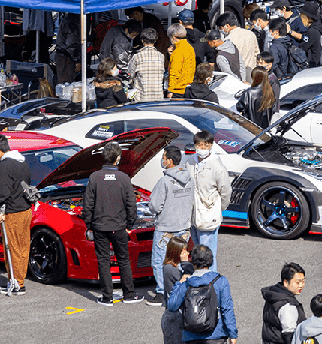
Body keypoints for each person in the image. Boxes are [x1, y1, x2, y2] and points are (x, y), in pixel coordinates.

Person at [84, 140, 143, 304]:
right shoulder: (124, 178)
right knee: (124, 260)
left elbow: (87, 204)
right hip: (119, 227)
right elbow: (132, 204)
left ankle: (107, 297)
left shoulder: (94, 177)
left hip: (99, 227)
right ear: (118, 158)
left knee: (103, 261)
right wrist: (130, 225)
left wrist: (88, 226)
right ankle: (129, 295)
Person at [165, 245, 237, 344]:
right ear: (210, 260)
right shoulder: (220, 281)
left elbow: (172, 306)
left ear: (193, 261)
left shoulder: (187, 283)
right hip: (216, 335)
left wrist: (179, 283)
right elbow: (227, 309)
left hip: (191, 337)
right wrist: (232, 334)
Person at [149, 146, 195, 301]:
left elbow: (155, 206)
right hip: (184, 228)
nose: (162, 160)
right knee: (179, 260)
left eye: (163, 157)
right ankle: (180, 288)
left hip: (165, 229)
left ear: (169, 161)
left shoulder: (164, 181)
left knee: (159, 261)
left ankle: (162, 292)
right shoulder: (189, 179)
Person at [0, 134, 32, 296]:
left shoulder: (5, 166)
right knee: (22, 247)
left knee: (12, 247)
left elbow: (3, 191)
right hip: (25, 208)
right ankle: (17, 280)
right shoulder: (22, 161)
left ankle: (16, 283)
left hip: (13, 211)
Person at [190, 130, 232, 266]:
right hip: (193, 215)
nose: (203, 148)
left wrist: (218, 208)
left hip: (209, 216)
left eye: (206, 145)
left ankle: (211, 282)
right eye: (200, 145)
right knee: (197, 252)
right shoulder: (191, 162)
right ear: (195, 145)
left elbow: (226, 190)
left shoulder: (217, 166)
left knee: (207, 254)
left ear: (211, 145)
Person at [262, 261, 306, 344]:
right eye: (297, 282)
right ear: (286, 282)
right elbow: (290, 335)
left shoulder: (273, 295)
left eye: (303, 281)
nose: (301, 285)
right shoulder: (287, 306)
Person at [160, 235, 192, 344]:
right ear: (176, 252)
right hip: (174, 316)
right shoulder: (170, 269)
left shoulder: (172, 267)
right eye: (184, 252)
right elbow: (188, 279)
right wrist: (185, 263)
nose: (187, 254)